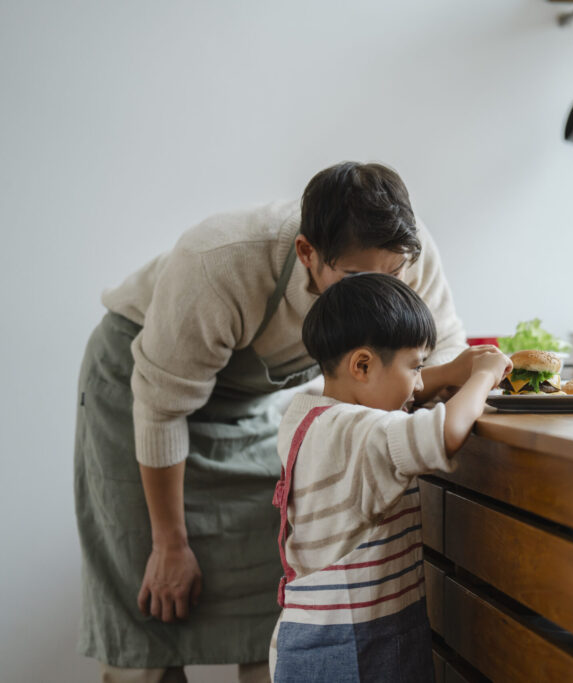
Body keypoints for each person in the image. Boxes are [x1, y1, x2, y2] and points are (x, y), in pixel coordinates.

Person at [75, 162, 484, 682]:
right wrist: (170, 544)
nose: (381, 295)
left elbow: (437, 357)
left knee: (270, 580)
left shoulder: (405, 249)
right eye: (358, 278)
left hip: (251, 402)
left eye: (394, 277)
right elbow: (162, 408)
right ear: (306, 253)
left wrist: (477, 377)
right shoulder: (219, 261)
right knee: (153, 595)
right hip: (145, 393)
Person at [269, 273, 509, 682]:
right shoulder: (359, 433)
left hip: (312, 635)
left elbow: (387, 394)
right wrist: (482, 375)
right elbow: (444, 433)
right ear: (361, 364)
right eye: (415, 367)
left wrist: (447, 371)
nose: (418, 385)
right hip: (354, 646)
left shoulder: (307, 413)